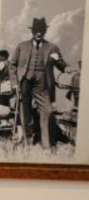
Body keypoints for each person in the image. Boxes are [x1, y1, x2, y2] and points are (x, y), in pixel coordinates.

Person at [9, 17, 70, 149]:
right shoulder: (21, 46)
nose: (39, 33)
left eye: (41, 30)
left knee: (47, 111)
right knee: (25, 113)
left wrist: (67, 69)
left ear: (45, 31)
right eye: (36, 30)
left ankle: (47, 144)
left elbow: (60, 63)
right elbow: (12, 65)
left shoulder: (52, 48)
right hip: (24, 83)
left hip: (42, 84)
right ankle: (28, 142)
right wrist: (14, 83)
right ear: (32, 31)